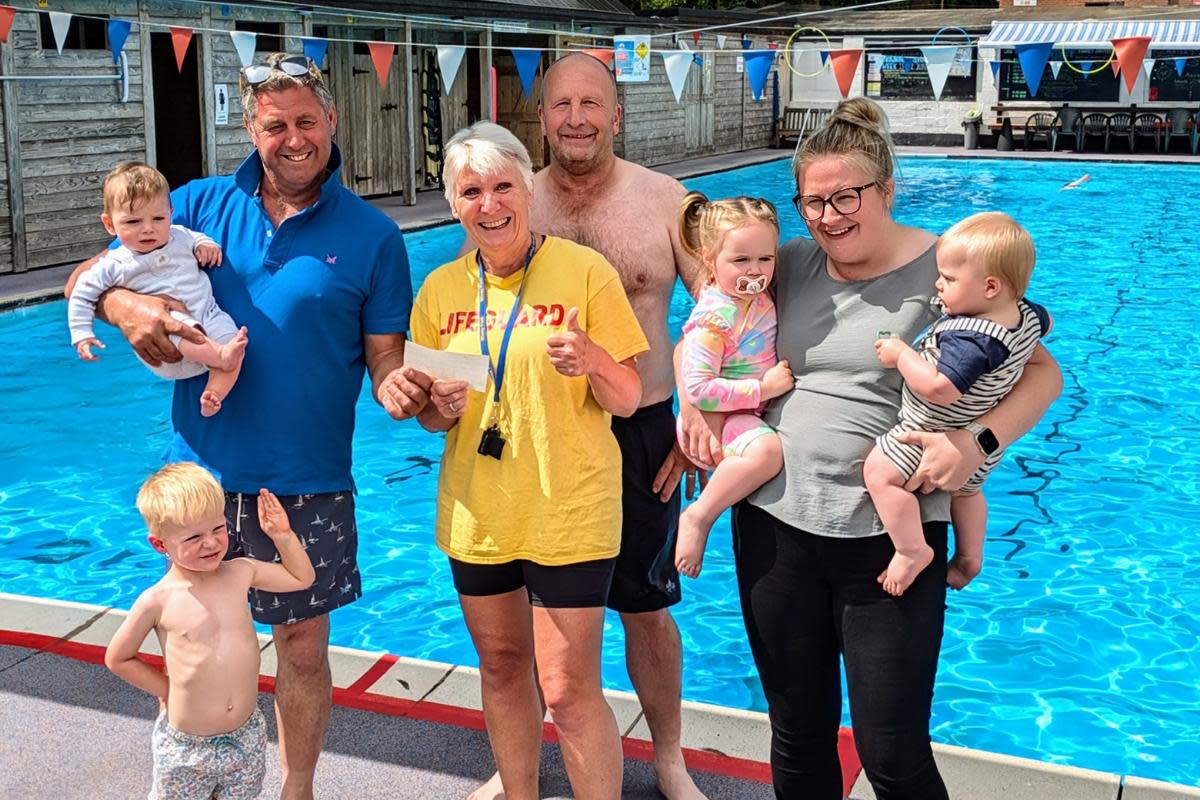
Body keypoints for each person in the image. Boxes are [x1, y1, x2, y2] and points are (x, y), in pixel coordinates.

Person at [679, 97, 1062, 799]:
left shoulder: (948, 266)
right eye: (812, 202)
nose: (828, 216)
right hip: (775, 523)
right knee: (797, 732)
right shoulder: (789, 262)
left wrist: (979, 441)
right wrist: (693, 404)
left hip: (889, 541)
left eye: (846, 196)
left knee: (892, 751)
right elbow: (709, 329)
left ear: (887, 189)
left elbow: (1040, 371)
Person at [67, 52, 421, 800]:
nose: (292, 138)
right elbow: (89, 276)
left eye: (305, 122)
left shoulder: (373, 236)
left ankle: (296, 788)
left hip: (311, 479)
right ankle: (192, 773)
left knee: (301, 648)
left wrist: (406, 393)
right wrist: (124, 307)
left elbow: (385, 357)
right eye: (274, 125)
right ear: (251, 129)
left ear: (331, 122)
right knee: (198, 642)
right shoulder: (192, 204)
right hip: (201, 476)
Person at [408, 121, 648, 800]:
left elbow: (627, 398)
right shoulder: (441, 293)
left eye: (503, 186)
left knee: (571, 691)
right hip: (479, 513)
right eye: (471, 191)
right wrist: (438, 407)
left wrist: (595, 360)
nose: (490, 205)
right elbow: (431, 417)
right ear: (453, 204)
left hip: (569, 509)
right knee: (504, 670)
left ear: (529, 191)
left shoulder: (583, 271)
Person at [519, 51, 708, 800]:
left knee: (647, 608)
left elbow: (725, 313)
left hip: (645, 433)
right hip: (542, 434)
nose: (575, 119)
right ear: (542, 117)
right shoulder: (513, 201)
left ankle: (668, 759)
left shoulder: (668, 202)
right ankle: (522, 765)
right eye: (561, 105)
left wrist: (700, 409)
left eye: (590, 104)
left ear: (616, 115)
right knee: (534, 612)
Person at [866, 211, 1052, 595]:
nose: (938, 285)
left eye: (949, 279)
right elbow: (1046, 326)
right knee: (967, 493)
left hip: (930, 433)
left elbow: (940, 388)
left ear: (989, 287)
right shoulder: (1028, 316)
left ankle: (911, 549)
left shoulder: (971, 337)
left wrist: (902, 354)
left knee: (879, 475)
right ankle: (970, 556)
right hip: (983, 446)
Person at [105, 462, 316, 800]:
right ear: (160, 545)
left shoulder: (240, 572)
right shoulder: (157, 601)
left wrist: (283, 536)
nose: (211, 543)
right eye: (193, 537)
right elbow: (118, 657)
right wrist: (166, 689)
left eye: (217, 528)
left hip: (246, 736)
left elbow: (301, 578)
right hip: (187, 745)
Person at [672, 192, 792, 578]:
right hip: (723, 419)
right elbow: (699, 388)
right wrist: (764, 389)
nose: (754, 270)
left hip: (742, 414)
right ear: (709, 260)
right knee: (767, 453)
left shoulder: (752, 297)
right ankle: (699, 516)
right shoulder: (715, 317)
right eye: (740, 260)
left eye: (765, 259)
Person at [68, 162, 248, 417]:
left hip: (208, 318)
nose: (148, 228)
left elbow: (198, 238)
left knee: (233, 340)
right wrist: (82, 333)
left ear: (171, 213)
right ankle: (218, 356)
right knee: (173, 320)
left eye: (158, 218)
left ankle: (214, 394)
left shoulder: (179, 235)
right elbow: (79, 292)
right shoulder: (115, 263)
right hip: (168, 346)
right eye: (133, 221)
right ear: (109, 224)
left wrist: (206, 246)